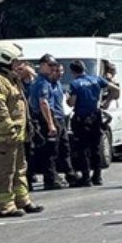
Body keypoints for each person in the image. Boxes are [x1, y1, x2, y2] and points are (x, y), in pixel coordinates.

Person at [0, 42, 43, 217]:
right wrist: (9, 128)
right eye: (17, 61)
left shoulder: (9, 78)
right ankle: (3, 206)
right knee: (3, 172)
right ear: (5, 59)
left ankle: (21, 201)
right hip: (2, 136)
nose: (20, 65)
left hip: (15, 135)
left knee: (19, 169)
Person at [66, 60, 119, 186]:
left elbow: (72, 103)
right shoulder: (96, 79)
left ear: (73, 72)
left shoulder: (75, 84)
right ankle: (97, 176)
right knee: (95, 147)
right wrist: (107, 102)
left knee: (83, 148)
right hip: (96, 115)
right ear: (84, 68)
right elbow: (116, 89)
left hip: (82, 117)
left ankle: (86, 177)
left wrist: (68, 99)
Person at [29, 54, 72, 189]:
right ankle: (50, 179)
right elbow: (44, 104)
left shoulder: (51, 82)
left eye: (55, 66)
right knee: (49, 151)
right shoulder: (42, 82)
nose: (54, 68)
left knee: (62, 149)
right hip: (46, 119)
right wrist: (50, 124)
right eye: (51, 65)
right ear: (43, 66)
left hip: (58, 118)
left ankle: (64, 175)